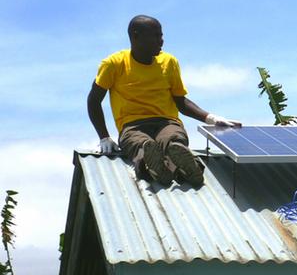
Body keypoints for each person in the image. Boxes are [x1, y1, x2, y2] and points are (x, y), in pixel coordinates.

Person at [87, 15, 241, 187]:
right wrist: (104, 137)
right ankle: (152, 165)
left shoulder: (169, 62)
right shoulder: (114, 64)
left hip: (166, 122)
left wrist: (211, 118)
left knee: (174, 140)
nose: (161, 41)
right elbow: (94, 100)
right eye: (156, 36)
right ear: (136, 36)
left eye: (161, 35)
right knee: (142, 144)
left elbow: (180, 101)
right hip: (132, 126)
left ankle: (186, 167)